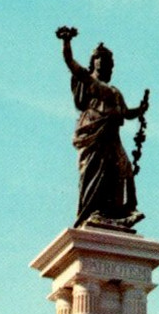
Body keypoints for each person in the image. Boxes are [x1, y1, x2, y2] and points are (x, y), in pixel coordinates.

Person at [56, 26, 148, 229]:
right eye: (103, 63)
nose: (107, 67)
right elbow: (70, 63)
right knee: (96, 172)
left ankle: (120, 211)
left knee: (123, 169)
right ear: (95, 64)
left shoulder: (115, 92)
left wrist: (139, 110)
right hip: (95, 136)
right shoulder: (89, 82)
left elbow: (125, 112)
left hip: (112, 138)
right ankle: (94, 211)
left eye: (109, 64)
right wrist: (66, 42)